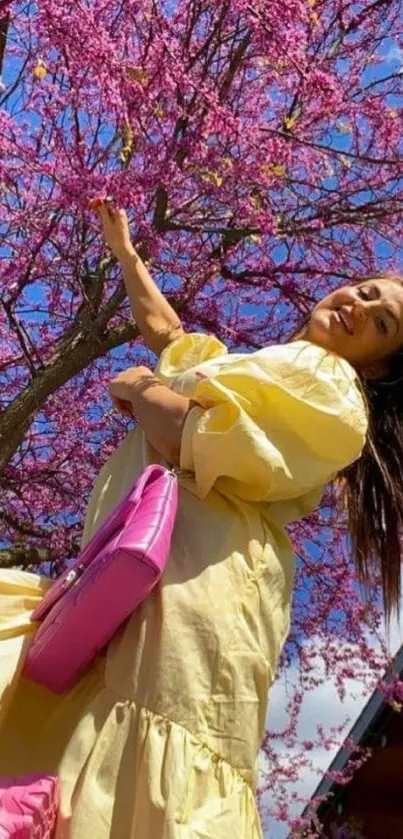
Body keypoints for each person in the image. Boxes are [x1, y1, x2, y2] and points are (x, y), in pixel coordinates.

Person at [0, 199, 401, 839]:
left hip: (198, 581)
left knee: (142, 746)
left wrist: (138, 389)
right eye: (364, 290)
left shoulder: (328, 383)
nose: (359, 305)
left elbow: (198, 434)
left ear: (377, 364)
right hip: (143, 573)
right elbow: (170, 337)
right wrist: (127, 254)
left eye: (381, 323)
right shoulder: (258, 367)